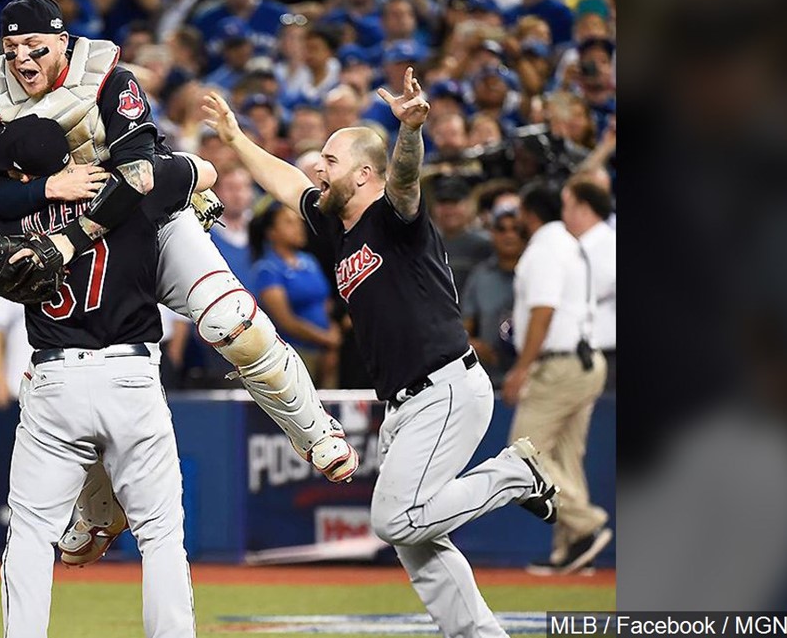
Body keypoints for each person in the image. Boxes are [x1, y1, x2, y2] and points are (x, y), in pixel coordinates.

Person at [0, 0, 358, 566]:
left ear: (62, 41)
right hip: (66, 230)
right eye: (12, 48)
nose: (23, 58)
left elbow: (142, 173)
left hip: (142, 219)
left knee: (232, 321)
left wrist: (88, 224)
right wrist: (52, 190)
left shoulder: (107, 77)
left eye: (35, 46)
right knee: (63, 378)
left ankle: (313, 428)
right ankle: (99, 513)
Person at [201, 69, 557, 638]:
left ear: (366, 173)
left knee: (397, 520)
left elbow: (408, 180)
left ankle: (513, 475)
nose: (320, 167)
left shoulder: (394, 219)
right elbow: (288, 183)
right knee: (419, 546)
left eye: (331, 160)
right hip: (404, 403)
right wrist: (237, 138)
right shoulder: (339, 229)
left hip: (442, 386)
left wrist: (410, 132)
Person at [0, 115, 199, 638]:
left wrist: (29, 192)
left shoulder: (14, 218)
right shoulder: (132, 189)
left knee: (31, 535)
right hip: (131, 372)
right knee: (161, 535)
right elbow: (197, 172)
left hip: (55, 378)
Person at [503, 182, 611, 576]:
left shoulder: (546, 247)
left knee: (521, 450)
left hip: (561, 363)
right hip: (586, 360)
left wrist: (522, 368)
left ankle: (584, 523)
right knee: (567, 457)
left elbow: (543, 311)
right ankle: (573, 549)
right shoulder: (572, 244)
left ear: (531, 214)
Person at [249, 202, 339, 385]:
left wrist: (332, 337)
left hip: (326, 353)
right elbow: (285, 321)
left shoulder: (309, 261)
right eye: (288, 223)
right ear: (272, 232)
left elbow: (325, 302)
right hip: (293, 354)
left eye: (298, 222)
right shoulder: (268, 269)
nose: (299, 227)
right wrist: (326, 338)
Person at [561, 178, 616, 393]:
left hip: (607, 353)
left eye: (566, 206)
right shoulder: (581, 245)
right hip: (587, 354)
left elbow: (592, 289)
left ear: (583, 209)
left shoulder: (607, 245)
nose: (562, 214)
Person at [462, 205, 525, 388]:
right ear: (492, 233)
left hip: (531, 374)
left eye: (516, 229)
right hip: (488, 376)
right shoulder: (480, 276)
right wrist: (474, 345)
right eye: (501, 229)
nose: (509, 235)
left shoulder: (538, 272)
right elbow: (464, 330)